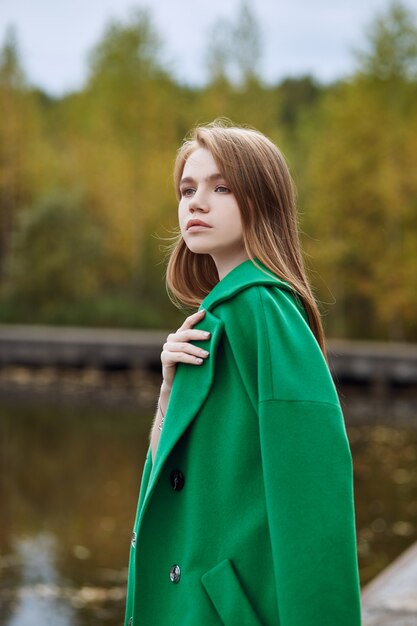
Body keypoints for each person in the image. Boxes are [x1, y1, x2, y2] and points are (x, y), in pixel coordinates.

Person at [124, 121, 362, 626]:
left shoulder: (262, 309)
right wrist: (168, 395)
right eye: (188, 189)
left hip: (232, 608)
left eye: (221, 187)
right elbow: (174, 483)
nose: (197, 202)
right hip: (193, 603)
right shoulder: (219, 317)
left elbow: (314, 492)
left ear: (262, 200)